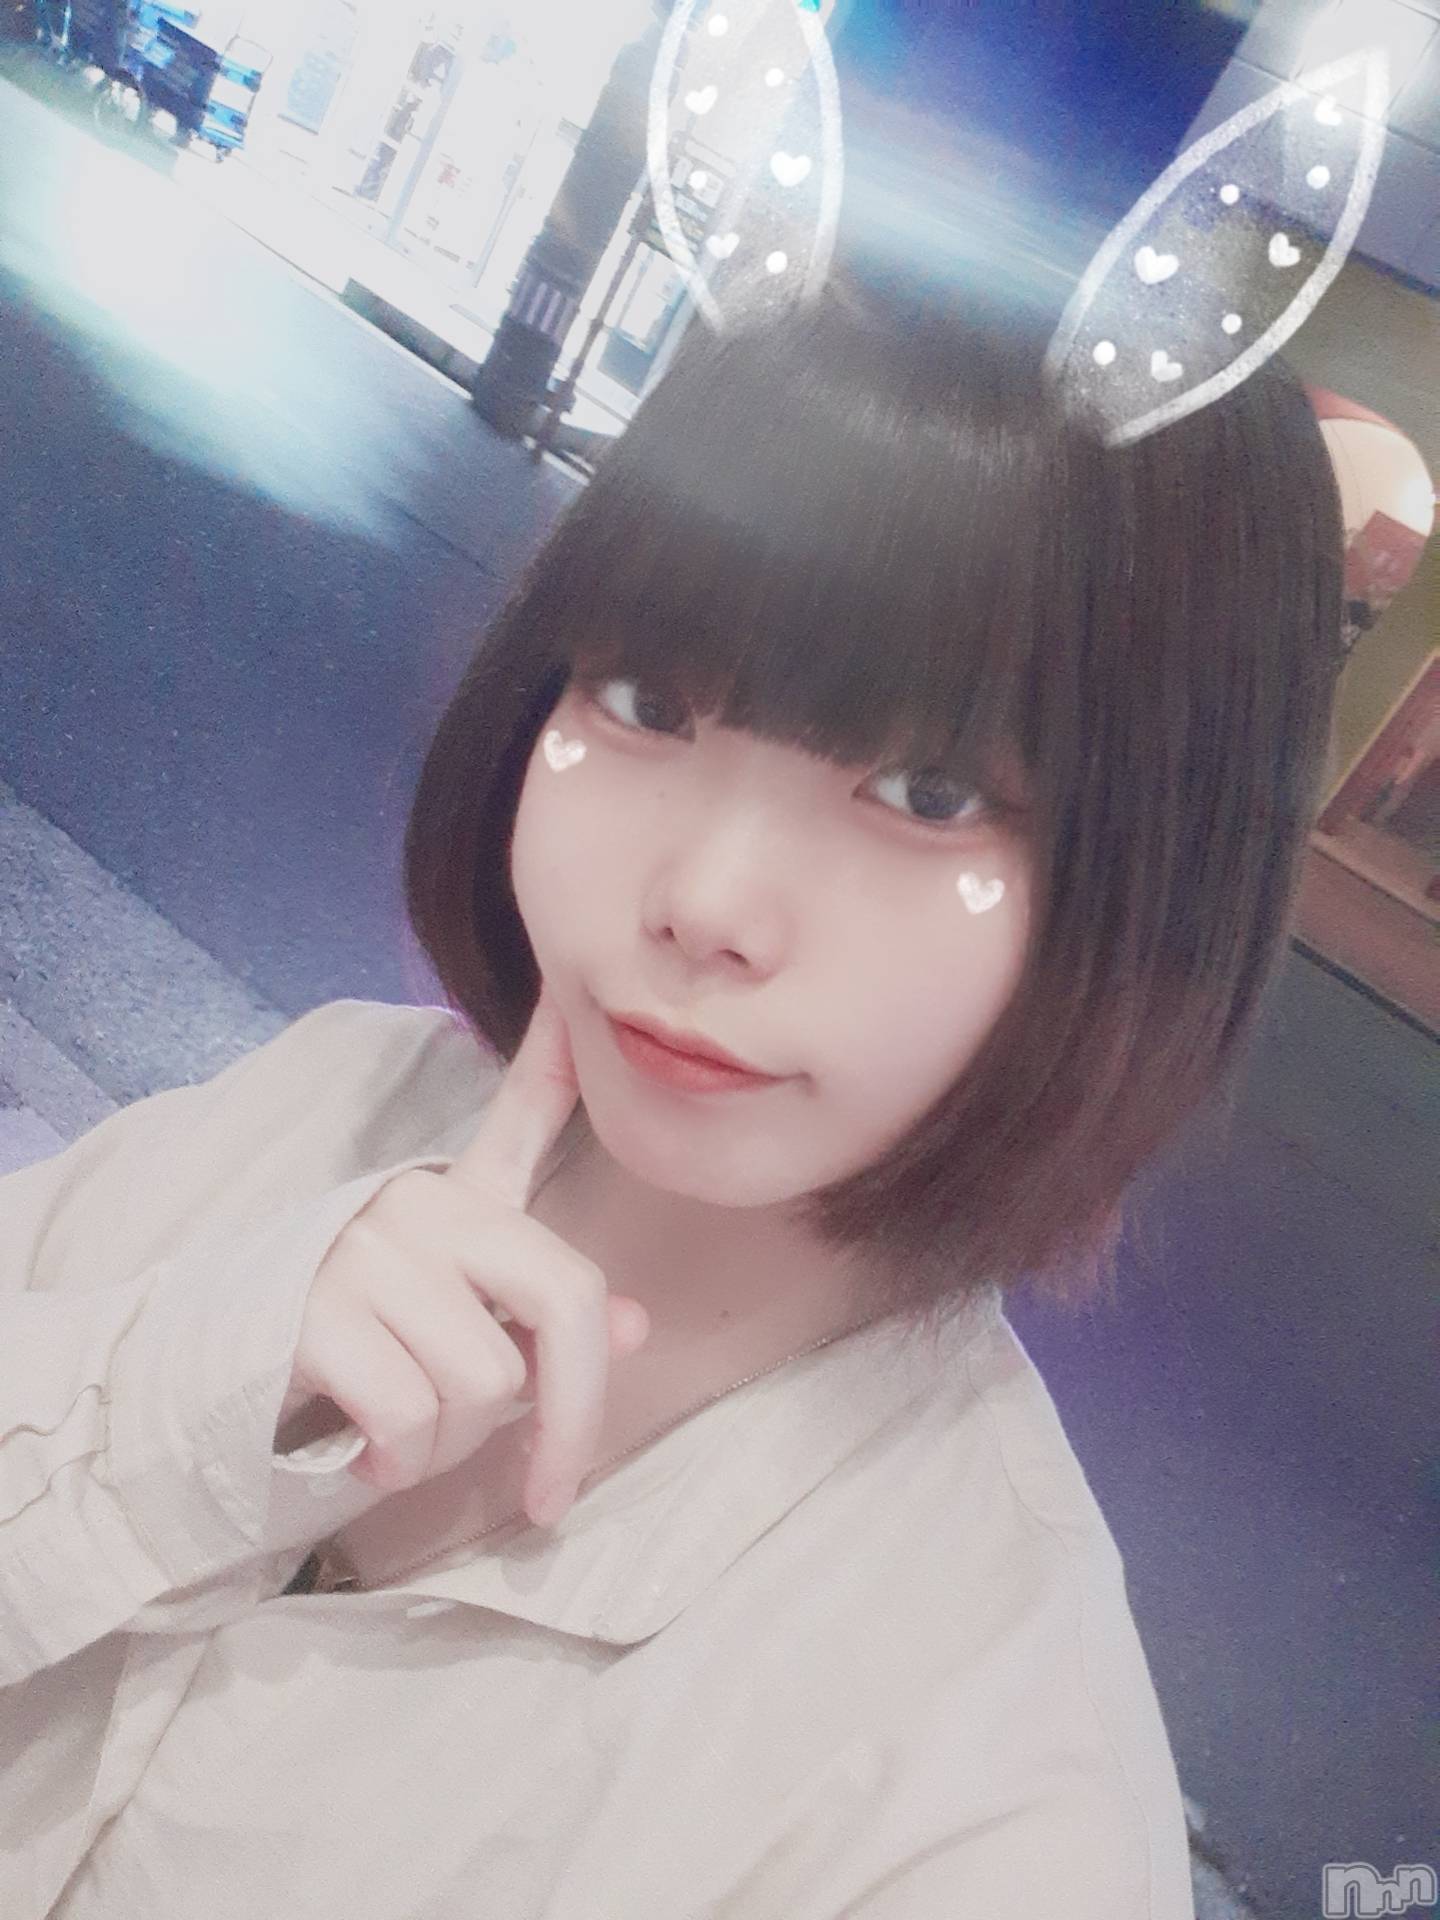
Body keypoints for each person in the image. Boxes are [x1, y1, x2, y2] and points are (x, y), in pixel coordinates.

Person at [0, 271, 1344, 1919]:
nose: (706, 899)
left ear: (1163, 889)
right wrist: (182, 1398)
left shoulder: (981, 1810)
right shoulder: (342, 1094)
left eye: (928, 793)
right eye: (648, 701)